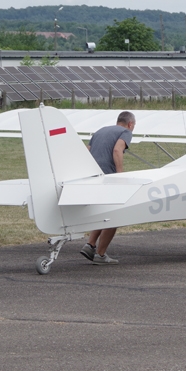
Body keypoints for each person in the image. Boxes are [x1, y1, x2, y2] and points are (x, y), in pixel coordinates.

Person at [80, 111, 136, 264]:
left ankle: (90, 245)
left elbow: (87, 151)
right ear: (130, 124)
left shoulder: (100, 131)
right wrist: (120, 175)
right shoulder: (125, 132)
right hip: (107, 177)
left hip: (92, 175)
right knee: (114, 215)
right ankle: (100, 254)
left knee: (102, 212)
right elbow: (117, 150)